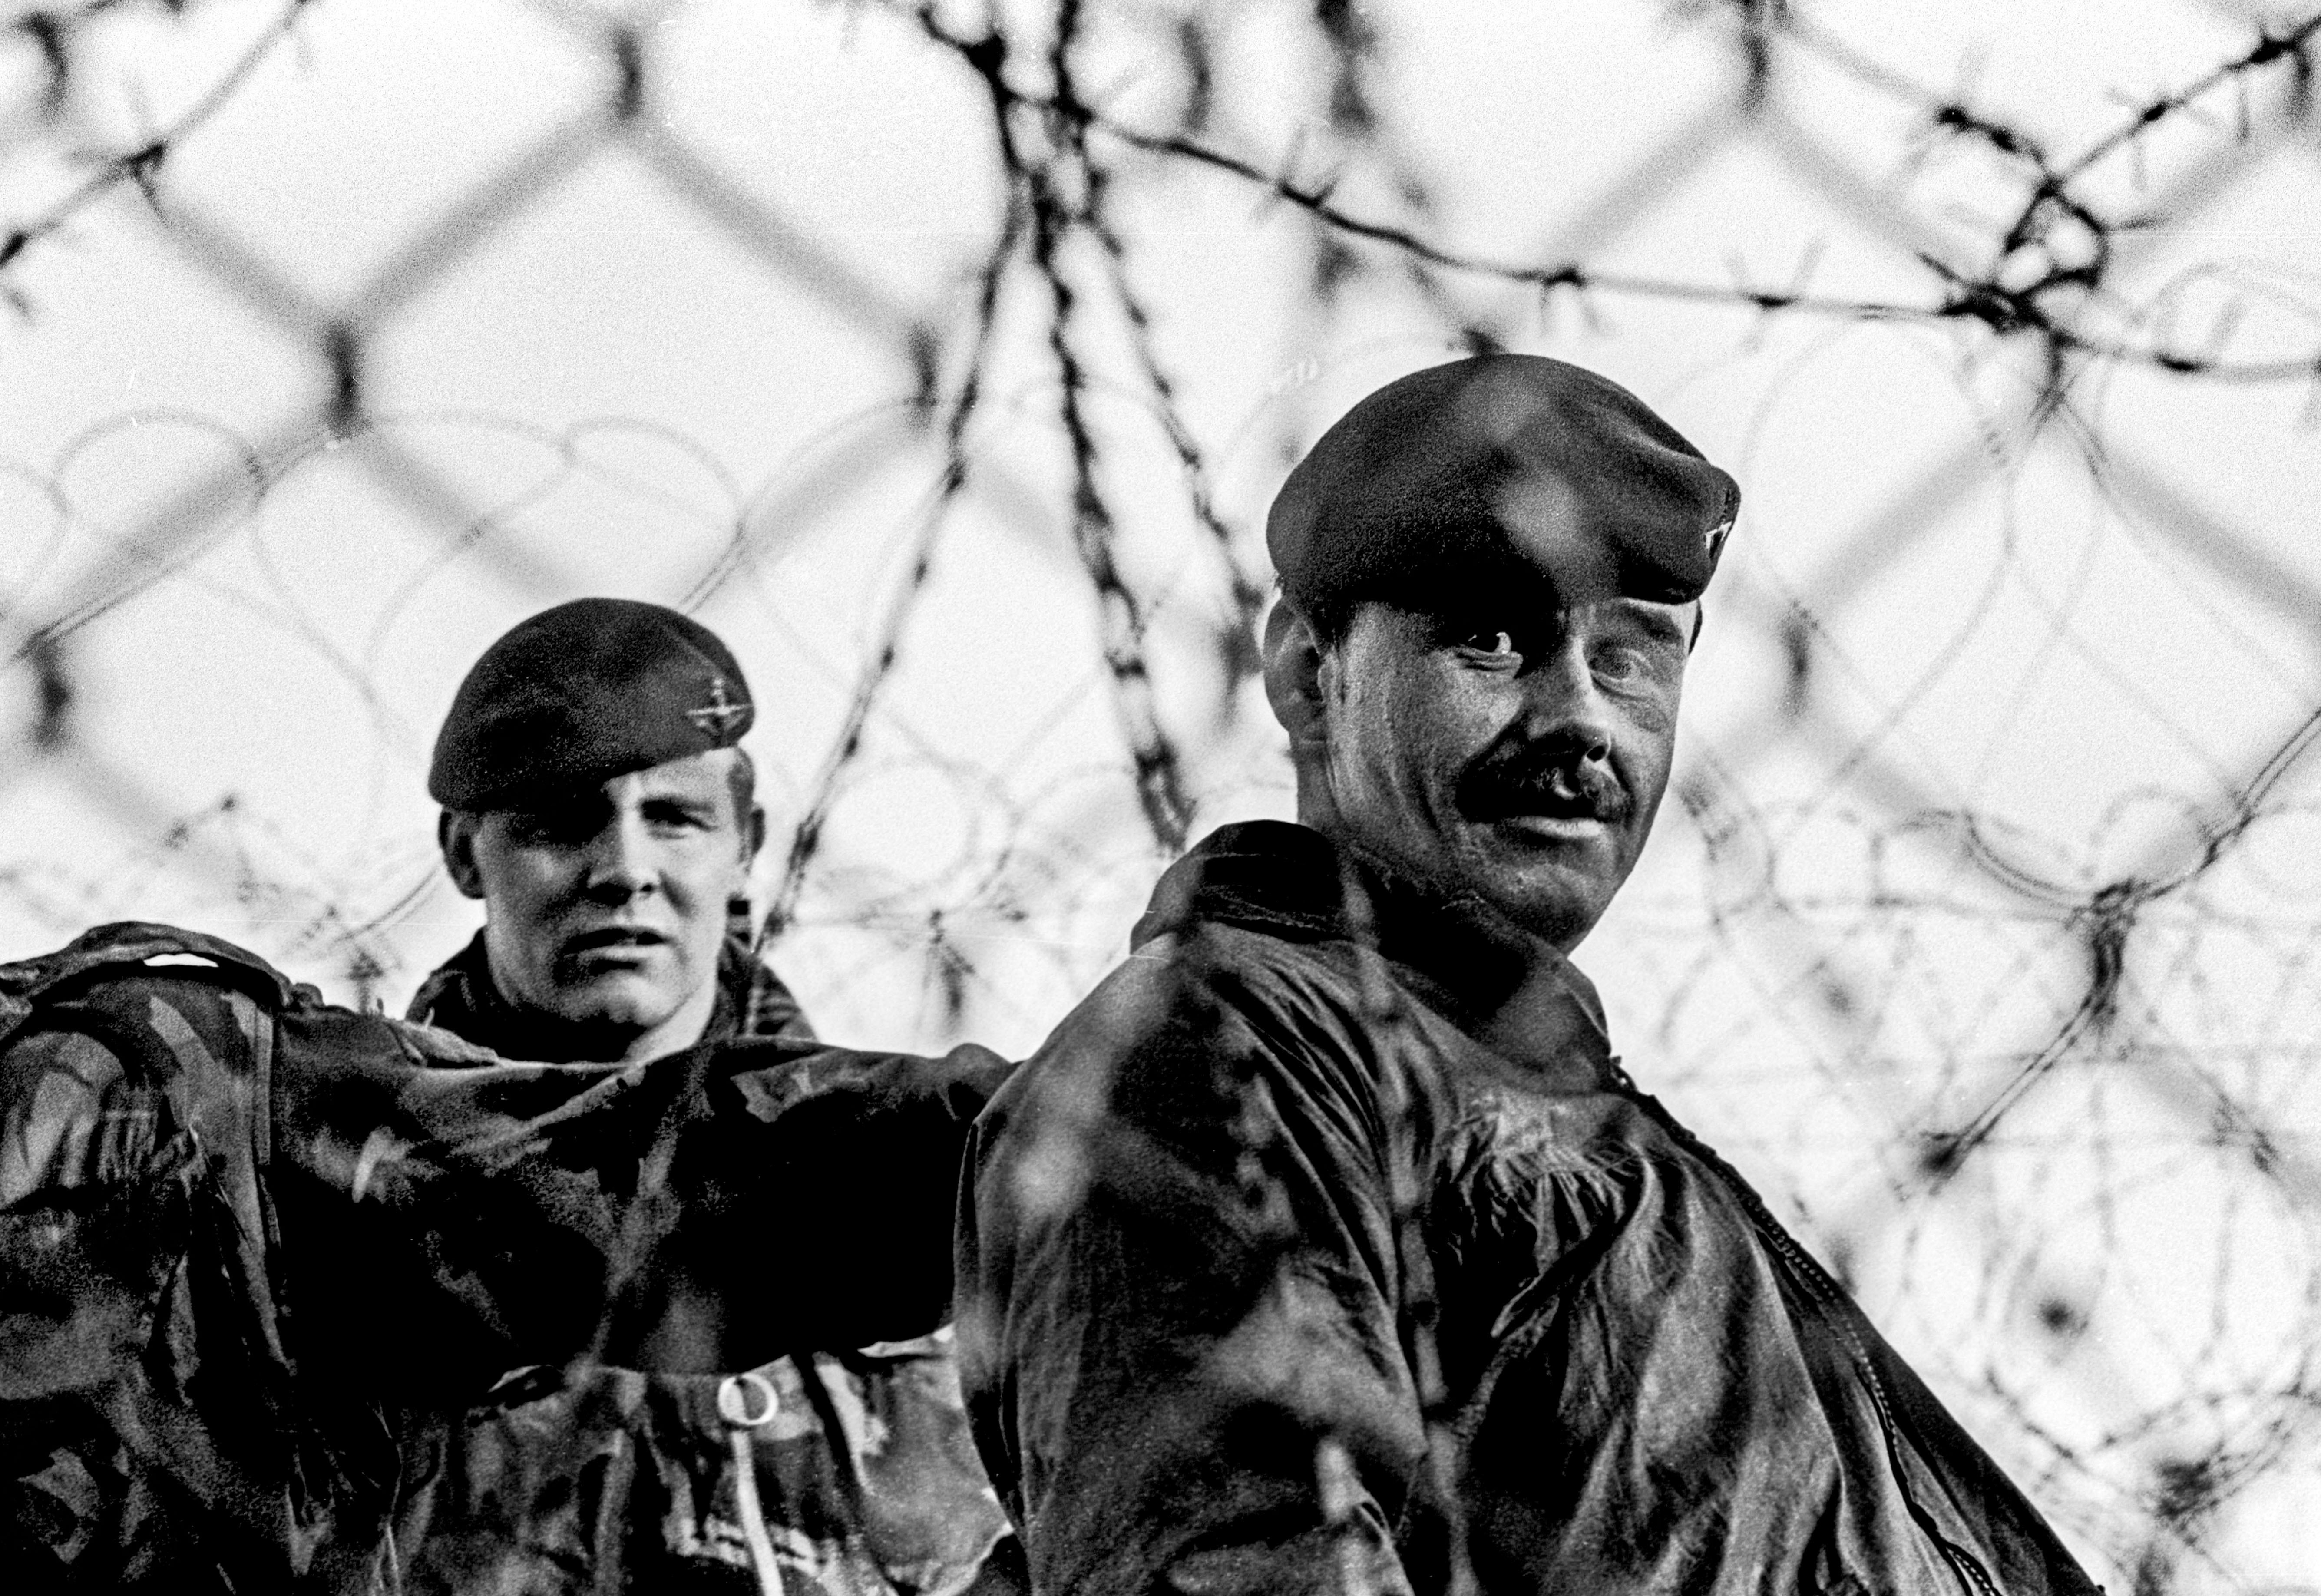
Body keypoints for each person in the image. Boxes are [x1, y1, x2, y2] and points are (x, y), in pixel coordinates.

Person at [955, 355, 2103, 1595]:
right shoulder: (1240, 1035)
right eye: (1492, 639)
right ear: (1305, 673)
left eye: (1630, 659)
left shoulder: (1558, 1112)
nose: (1582, 720)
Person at [399, 598, 1016, 1596]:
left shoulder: (917, 1176)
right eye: (560, 823)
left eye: (674, 819)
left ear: (745, 844)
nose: (624, 871)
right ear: (466, 853)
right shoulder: (353, 1215)